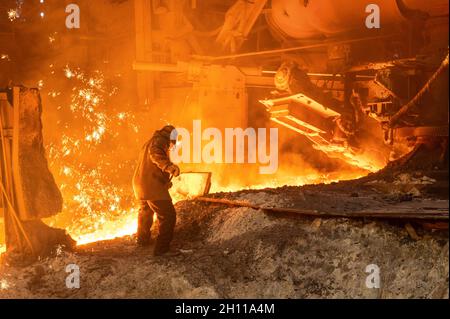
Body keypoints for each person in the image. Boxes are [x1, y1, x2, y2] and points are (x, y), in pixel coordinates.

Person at [132, 125, 180, 256]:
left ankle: (142, 239)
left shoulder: (148, 143)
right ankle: (162, 250)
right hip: (151, 187)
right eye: (172, 141)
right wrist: (169, 167)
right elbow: (156, 156)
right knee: (168, 216)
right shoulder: (159, 141)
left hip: (139, 185)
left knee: (145, 211)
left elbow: (150, 166)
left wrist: (164, 181)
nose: (171, 145)